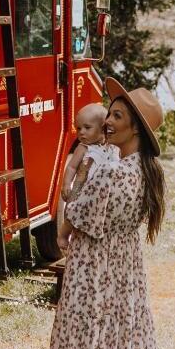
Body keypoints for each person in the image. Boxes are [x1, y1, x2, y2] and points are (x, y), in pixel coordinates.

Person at [46, 78, 175, 349]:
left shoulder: (115, 173)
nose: (107, 120)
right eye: (110, 112)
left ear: (134, 128)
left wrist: (70, 204)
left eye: (117, 116)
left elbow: (80, 214)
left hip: (97, 274)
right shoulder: (138, 168)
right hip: (123, 272)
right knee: (117, 348)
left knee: (91, 346)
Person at [57, 103, 116, 253]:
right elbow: (71, 167)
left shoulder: (112, 147)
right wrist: (66, 184)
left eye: (87, 128)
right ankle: (64, 236)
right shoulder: (83, 148)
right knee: (72, 213)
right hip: (81, 189)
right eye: (78, 128)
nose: (81, 132)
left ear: (103, 128)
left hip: (101, 192)